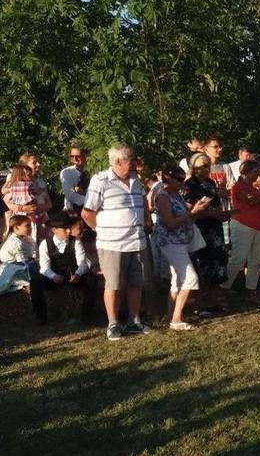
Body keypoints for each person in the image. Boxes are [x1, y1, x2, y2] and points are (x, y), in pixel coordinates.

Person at [81, 143, 151, 341]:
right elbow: (87, 213)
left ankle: (134, 321)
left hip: (137, 242)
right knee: (113, 284)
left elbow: (143, 204)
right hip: (112, 244)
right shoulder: (100, 180)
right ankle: (113, 324)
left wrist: (145, 220)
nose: (135, 163)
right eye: (132, 160)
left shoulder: (136, 180)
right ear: (119, 161)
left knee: (136, 283)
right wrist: (101, 230)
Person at [152, 166, 207, 330]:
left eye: (184, 179)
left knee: (177, 279)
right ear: (169, 179)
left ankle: (171, 316)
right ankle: (176, 319)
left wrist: (196, 210)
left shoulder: (177, 195)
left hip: (181, 241)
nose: (182, 183)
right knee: (190, 278)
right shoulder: (162, 196)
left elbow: (185, 218)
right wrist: (192, 213)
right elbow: (170, 222)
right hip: (170, 242)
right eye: (179, 179)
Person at [183, 153, 232, 317]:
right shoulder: (190, 185)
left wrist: (221, 214)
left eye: (208, 166)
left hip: (215, 229)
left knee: (217, 263)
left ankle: (215, 300)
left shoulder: (211, 183)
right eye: (203, 167)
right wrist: (211, 214)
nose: (206, 170)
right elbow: (191, 210)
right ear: (194, 168)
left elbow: (216, 204)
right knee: (202, 266)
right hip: (200, 229)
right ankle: (200, 303)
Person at [28, 213, 96, 325]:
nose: (69, 231)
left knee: (91, 280)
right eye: (65, 229)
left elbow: (82, 262)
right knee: (35, 283)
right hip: (55, 276)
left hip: (73, 276)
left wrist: (78, 275)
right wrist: (53, 276)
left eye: (69, 228)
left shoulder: (76, 241)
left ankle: (87, 316)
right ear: (55, 230)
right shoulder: (45, 244)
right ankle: (41, 317)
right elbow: (44, 267)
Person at [222, 160, 260, 296]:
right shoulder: (239, 187)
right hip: (243, 225)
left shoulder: (256, 188)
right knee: (238, 258)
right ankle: (223, 288)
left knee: (256, 260)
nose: (259, 176)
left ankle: (251, 289)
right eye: (257, 172)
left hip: (259, 226)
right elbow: (251, 201)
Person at [60, 143, 90, 213]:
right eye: (72, 156)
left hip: (90, 211)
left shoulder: (93, 172)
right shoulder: (66, 172)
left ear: (85, 156)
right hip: (72, 212)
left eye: (78, 156)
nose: (75, 159)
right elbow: (70, 195)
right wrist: (91, 200)